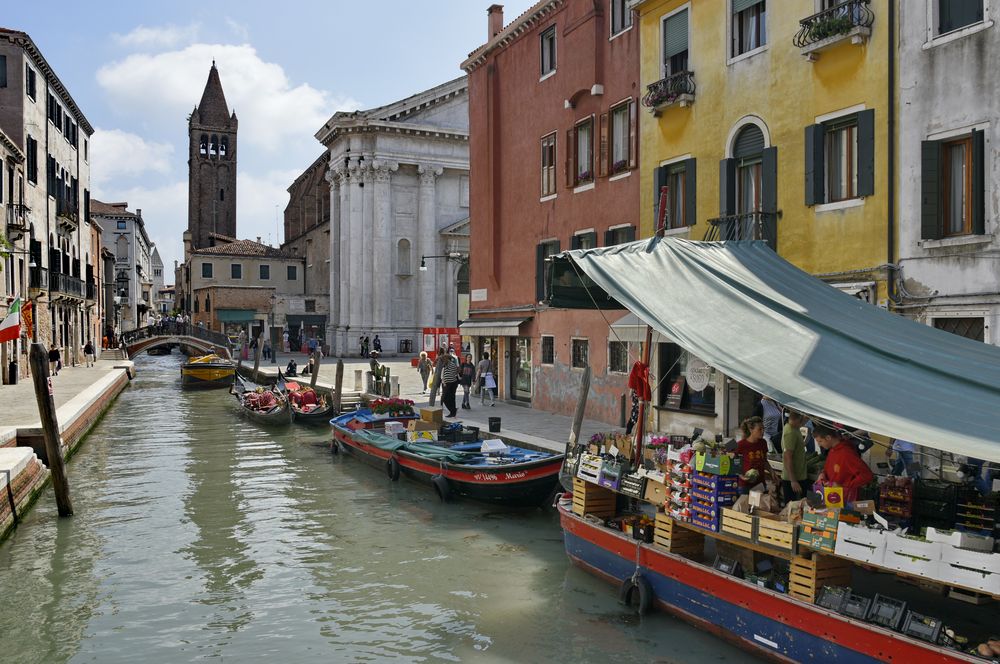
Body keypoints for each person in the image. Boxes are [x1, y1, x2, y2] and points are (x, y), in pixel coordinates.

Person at [814, 422, 874, 504]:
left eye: (820, 441)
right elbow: (828, 467)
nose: (819, 444)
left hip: (844, 499)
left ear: (828, 437)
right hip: (832, 497)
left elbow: (867, 475)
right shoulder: (832, 450)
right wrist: (823, 474)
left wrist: (845, 486)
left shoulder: (847, 453)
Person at [736, 416, 776, 494]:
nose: (763, 431)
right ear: (751, 430)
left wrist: (771, 471)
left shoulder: (763, 443)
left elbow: (764, 461)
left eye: (763, 428)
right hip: (745, 486)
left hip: (760, 485)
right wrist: (741, 476)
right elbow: (730, 459)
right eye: (760, 429)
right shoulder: (741, 444)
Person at [781, 411, 808, 503]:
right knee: (794, 508)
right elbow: (787, 457)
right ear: (798, 420)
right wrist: (793, 481)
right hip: (793, 479)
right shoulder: (790, 433)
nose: (802, 424)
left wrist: (806, 417)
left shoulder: (794, 427)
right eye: (801, 421)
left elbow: (801, 422)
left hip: (800, 475)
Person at [440, 349, 461, 418]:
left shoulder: (450, 365)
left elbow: (449, 374)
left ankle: (453, 411)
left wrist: (445, 383)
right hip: (451, 383)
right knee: (451, 398)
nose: (443, 360)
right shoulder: (448, 364)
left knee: (446, 398)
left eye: (444, 359)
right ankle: (453, 411)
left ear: (447, 359)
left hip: (450, 384)